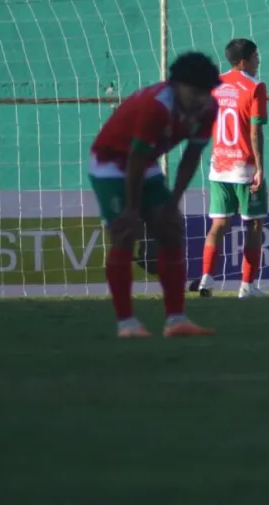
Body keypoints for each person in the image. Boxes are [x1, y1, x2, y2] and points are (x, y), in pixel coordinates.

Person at [88, 51, 220, 338]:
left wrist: (173, 202)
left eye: (206, 92)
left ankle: (177, 320)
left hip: (143, 163)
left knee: (171, 229)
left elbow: (191, 156)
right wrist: (133, 209)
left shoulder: (209, 108)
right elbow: (134, 156)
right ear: (176, 86)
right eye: (195, 92)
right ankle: (127, 324)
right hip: (111, 163)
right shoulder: (156, 107)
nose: (201, 99)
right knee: (125, 232)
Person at [193, 38, 269, 299]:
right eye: (256, 56)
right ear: (244, 61)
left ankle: (206, 279)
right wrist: (260, 168)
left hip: (219, 165)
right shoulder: (255, 86)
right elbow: (255, 130)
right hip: (244, 167)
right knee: (255, 225)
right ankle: (247, 286)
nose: (259, 61)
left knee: (219, 224)